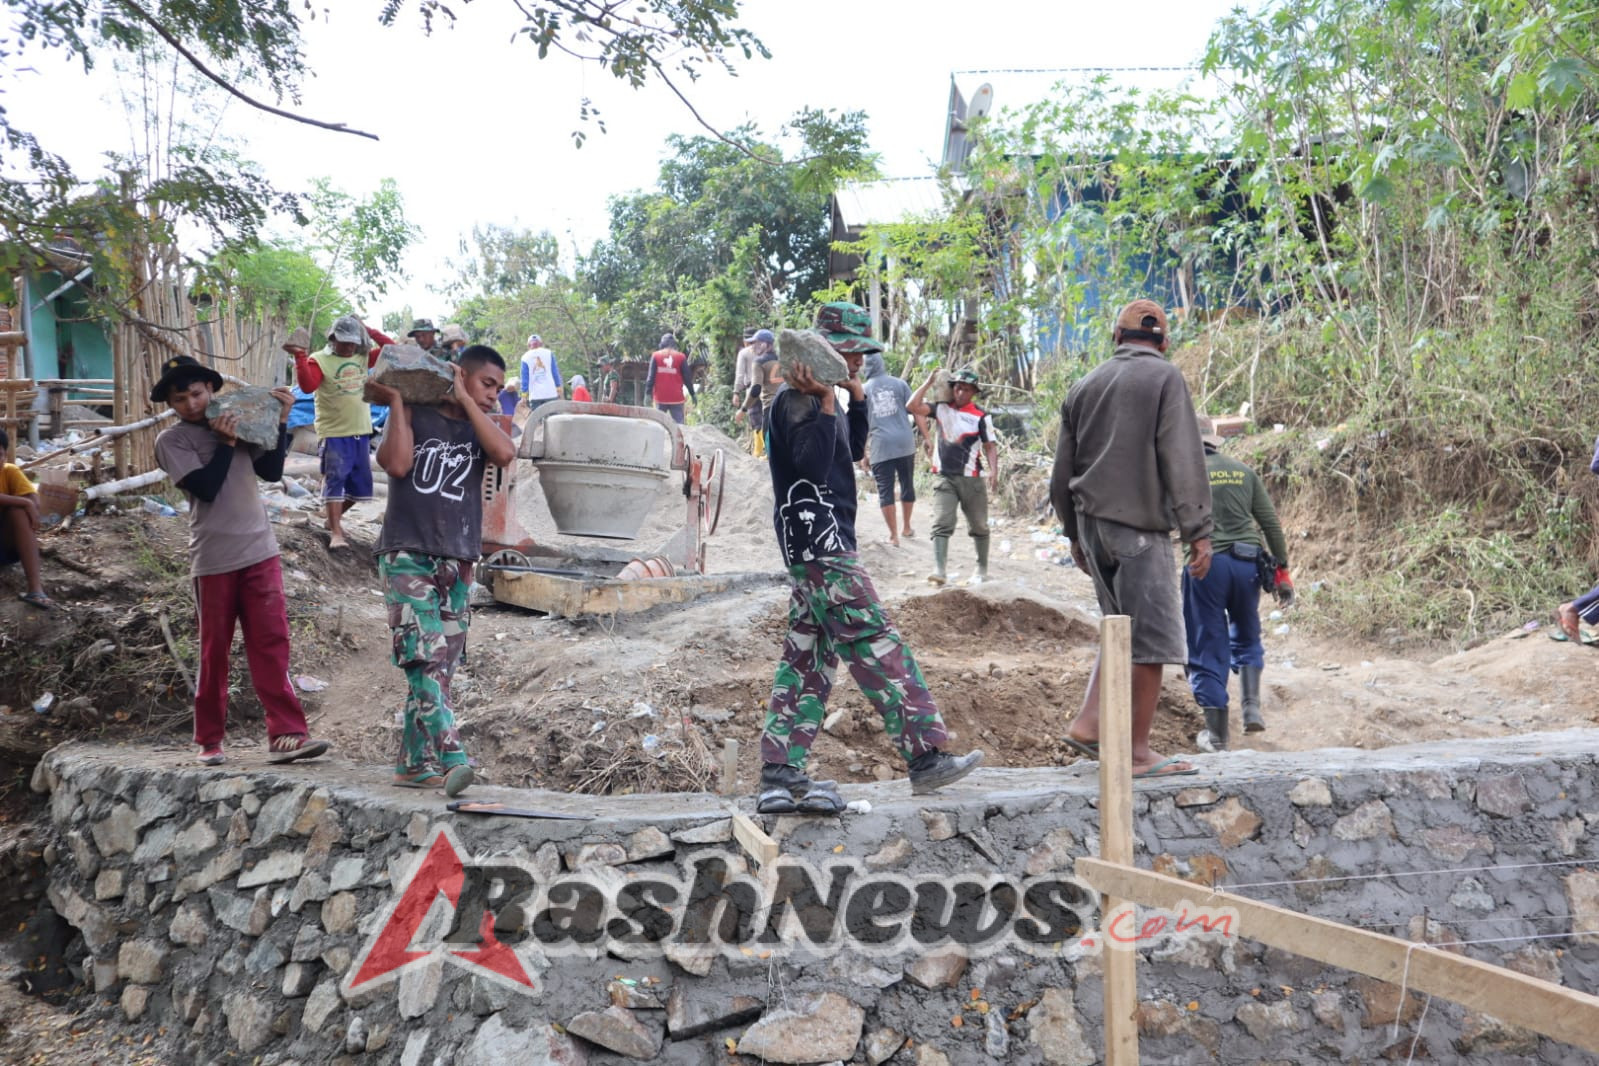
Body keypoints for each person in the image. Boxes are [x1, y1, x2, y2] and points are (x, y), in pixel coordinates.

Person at [756, 302, 983, 815]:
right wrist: (829, 403)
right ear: (824, 350)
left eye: (861, 356)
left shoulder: (823, 396)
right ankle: (926, 756)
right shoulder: (798, 401)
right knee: (876, 641)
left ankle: (780, 770)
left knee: (808, 654)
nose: (859, 363)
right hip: (823, 547)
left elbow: (852, 448)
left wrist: (852, 399)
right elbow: (813, 469)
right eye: (853, 354)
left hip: (819, 547)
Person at [1050, 298, 1213, 780]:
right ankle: (1138, 754)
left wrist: (1074, 534)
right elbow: (1182, 457)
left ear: (1116, 338)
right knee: (1152, 640)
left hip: (1092, 527)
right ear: (1163, 343)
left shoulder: (1084, 385)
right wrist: (1198, 530)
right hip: (1139, 530)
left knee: (1119, 628)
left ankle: (1089, 721)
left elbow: (1062, 473)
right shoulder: (1165, 377)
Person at [151, 355, 330, 767]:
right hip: (213, 558)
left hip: (259, 550)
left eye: (196, 393)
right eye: (180, 399)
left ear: (211, 390)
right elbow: (206, 488)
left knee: (271, 642)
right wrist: (226, 443)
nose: (191, 404)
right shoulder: (172, 442)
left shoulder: (239, 419)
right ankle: (209, 740)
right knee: (215, 652)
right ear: (172, 405)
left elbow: (270, 470)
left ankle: (287, 733)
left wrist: (280, 420)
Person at [366, 345, 516, 796]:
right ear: (461, 374)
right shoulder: (414, 413)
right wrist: (396, 402)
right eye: (485, 384)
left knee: (442, 666)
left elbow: (505, 454)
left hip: (459, 559)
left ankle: (413, 764)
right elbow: (395, 465)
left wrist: (469, 403)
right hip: (408, 553)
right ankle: (451, 756)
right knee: (423, 656)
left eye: (498, 388)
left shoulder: (477, 427)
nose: (493, 395)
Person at [1183, 416, 1293, 751]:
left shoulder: (1184, 474)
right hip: (1248, 565)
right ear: (1215, 441)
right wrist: (1283, 572)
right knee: (1247, 632)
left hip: (1208, 568)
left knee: (1207, 643)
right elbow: (1270, 523)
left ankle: (1216, 736)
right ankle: (1250, 710)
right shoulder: (1243, 471)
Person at [294, 315, 382, 550]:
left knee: (361, 488)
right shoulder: (319, 360)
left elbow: (391, 350)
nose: (349, 346)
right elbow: (307, 386)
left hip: (361, 431)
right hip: (334, 432)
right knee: (335, 481)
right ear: (332, 338)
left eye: (353, 342)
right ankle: (335, 531)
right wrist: (300, 357)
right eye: (344, 341)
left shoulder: (362, 357)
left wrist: (369, 329)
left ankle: (330, 517)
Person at [907, 366, 998, 584]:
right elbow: (912, 406)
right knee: (941, 522)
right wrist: (928, 382)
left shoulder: (980, 416)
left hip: (972, 478)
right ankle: (939, 570)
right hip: (944, 477)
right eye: (957, 388)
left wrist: (994, 470)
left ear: (973, 392)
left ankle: (981, 569)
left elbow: (990, 446)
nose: (960, 393)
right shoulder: (941, 409)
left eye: (966, 390)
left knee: (979, 525)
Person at [859, 350, 917, 546]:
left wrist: (863, 452)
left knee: (885, 491)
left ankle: (894, 536)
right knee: (907, 484)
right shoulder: (900, 384)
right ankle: (907, 527)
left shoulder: (863, 390)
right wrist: (926, 438)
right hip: (905, 444)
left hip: (881, 447)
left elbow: (863, 425)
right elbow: (916, 409)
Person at [0, 427, 49, 607]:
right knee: (20, 506)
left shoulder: (9, 472)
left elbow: (33, 500)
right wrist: (25, 503)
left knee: (17, 512)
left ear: (5, 455)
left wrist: (27, 503)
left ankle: (35, 589)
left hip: (5, 545)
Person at [736, 329, 775, 458]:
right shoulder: (783, 359)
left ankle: (767, 455)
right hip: (785, 402)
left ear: (767, 344)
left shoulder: (759, 362)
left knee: (765, 429)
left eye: (757, 343)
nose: (754, 346)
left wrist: (743, 409)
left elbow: (756, 389)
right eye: (752, 343)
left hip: (769, 403)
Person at [646, 332, 696, 423]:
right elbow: (687, 378)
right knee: (679, 427)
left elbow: (650, 377)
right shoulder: (681, 357)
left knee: (658, 424)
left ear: (662, 344)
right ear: (674, 344)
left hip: (660, 398)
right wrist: (692, 394)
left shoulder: (655, 356)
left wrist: (647, 394)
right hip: (676, 398)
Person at [519, 335, 562, 412]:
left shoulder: (525, 357)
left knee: (536, 421)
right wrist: (558, 388)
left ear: (529, 345)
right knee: (552, 420)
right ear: (541, 344)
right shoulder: (549, 353)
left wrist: (524, 396)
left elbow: (525, 378)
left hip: (535, 396)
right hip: (550, 393)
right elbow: (554, 372)